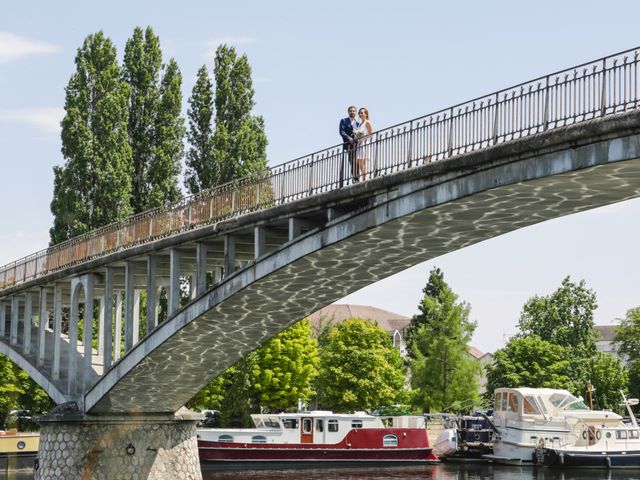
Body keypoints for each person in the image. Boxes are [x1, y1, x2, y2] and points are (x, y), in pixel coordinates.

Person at [339, 106, 360, 183]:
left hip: (358, 144)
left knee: (357, 160)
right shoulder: (344, 121)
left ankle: (357, 177)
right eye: (351, 111)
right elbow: (342, 132)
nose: (352, 112)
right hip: (349, 144)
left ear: (355, 112)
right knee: (352, 161)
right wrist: (349, 138)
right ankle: (355, 177)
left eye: (354, 111)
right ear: (348, 112)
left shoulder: (358, 123)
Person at [355, 107, 374, 180]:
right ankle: (363, 176)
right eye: (360, 113)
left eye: (362, 113)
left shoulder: (367, 122)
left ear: (366, 114)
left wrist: (363, 135)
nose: (361, 114)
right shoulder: (360, 124)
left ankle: (365, 177)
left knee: (363, 160)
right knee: (359, 161)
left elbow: (371, 133)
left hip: (365, 142)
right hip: (360, 143)